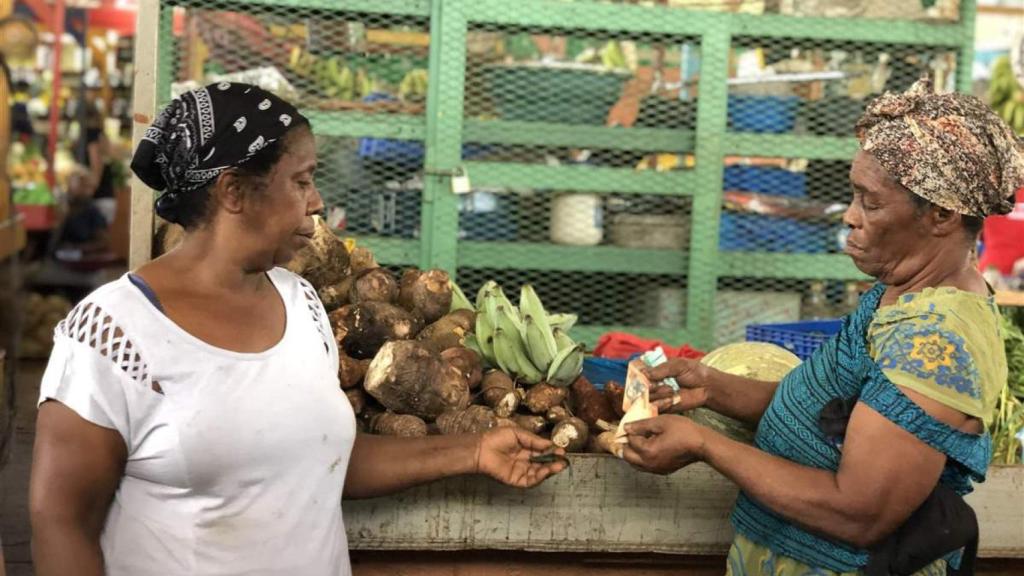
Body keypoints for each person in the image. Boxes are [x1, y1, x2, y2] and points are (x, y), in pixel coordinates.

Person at [29, 83, 566, 576]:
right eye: (301, 181)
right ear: (234, 191)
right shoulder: (114, 332)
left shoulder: (301, 303)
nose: (317, 202)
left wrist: (473, 451)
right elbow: (60, 520)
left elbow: (315, 458)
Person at [623, 77, 1023, 575]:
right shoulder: (898, 294)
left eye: (870, 203)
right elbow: (824, 412)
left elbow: (857, 512)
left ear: (941, 214)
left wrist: (704, 444)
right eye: (853, 196)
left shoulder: (935, 340)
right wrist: (708, 387)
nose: (850, 217)